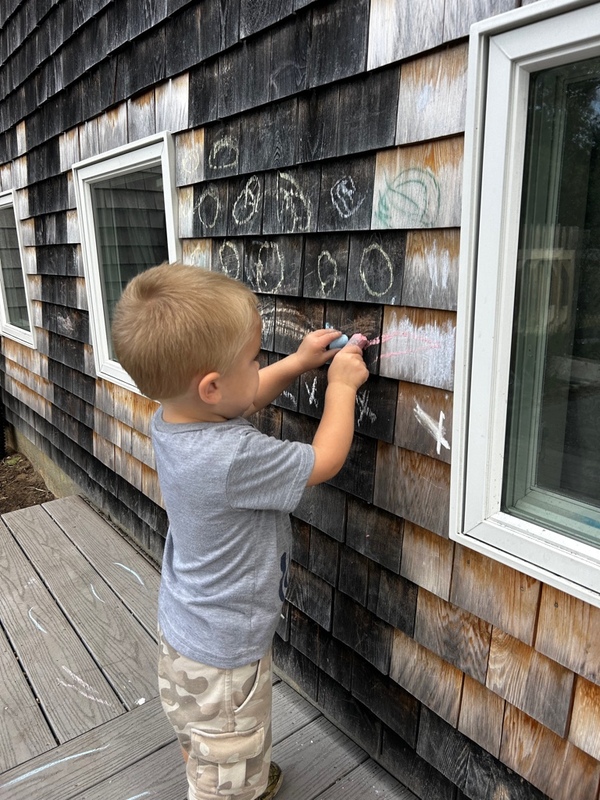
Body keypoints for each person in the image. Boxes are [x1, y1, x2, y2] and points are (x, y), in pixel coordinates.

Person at [111, 262, 369, 800]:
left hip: (183, 636)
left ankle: (233, 774)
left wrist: (297, 362)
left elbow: (242, 398)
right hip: (228, 654)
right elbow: (323, 461)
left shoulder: (172, 418)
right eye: (255, 359)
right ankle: (236, 787)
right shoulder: (231, 456)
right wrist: (341, 386)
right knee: (226, 753)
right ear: (210, 386)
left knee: (204, 738)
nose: (260, 369)